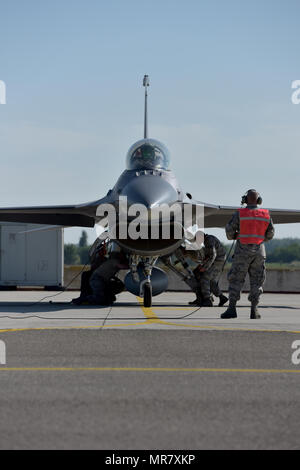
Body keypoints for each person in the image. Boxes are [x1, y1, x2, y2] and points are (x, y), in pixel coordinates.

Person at [221, 189, 275, 319]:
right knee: (257, 281)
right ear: (258, 200)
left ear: (245, 199)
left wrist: (234, 236)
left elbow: (229, 230)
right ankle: (254, 310)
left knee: (236, 279)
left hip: (242, 251)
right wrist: (260, 240)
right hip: (259, 251)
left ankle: (232, 309)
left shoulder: (240, 213)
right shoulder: (265, 214)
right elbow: (270, 233)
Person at [188, 233, 228, 307]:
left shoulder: (209, 240)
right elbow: (208, 255)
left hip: (217, 261)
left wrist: (205, 267)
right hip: (216, 261)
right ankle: (221, 297)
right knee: (209, 279)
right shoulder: (208, 240)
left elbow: (213, 255)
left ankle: (207, 300)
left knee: (205, 278)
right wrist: (202, 265)